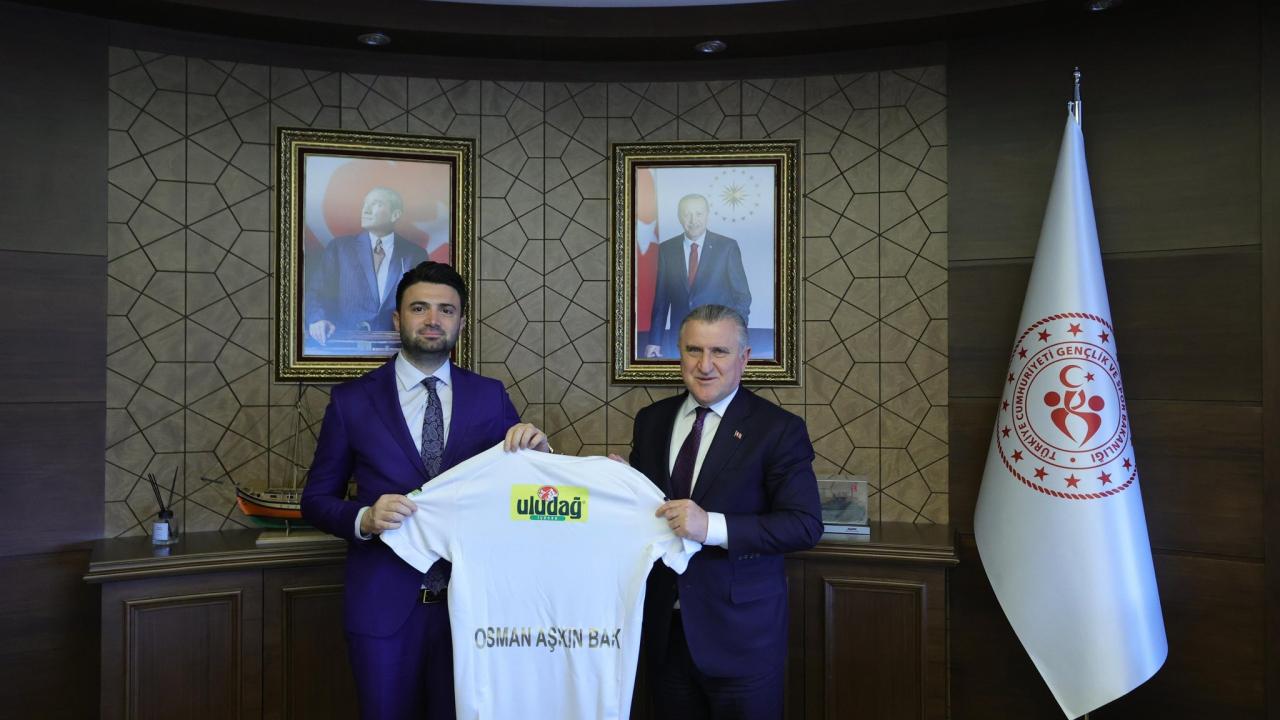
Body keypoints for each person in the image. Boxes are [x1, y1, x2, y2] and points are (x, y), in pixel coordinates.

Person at [301, 261, 551, 720]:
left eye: (446, 310)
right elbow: (315, 501)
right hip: (383, 609)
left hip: (474, 608)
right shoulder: (352, 401)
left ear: (461, 322)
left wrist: (540, 453)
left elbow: (524, 488)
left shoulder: (490, 396)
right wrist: (364, 518)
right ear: (398, 318)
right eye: (420, 308)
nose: (433, 319)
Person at [625, 304, 822, 719]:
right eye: (694, 350)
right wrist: (619, 484)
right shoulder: (651, 421)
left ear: (744, 358)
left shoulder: (778, 429)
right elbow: (648, 510)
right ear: (679, 353)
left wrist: (710, 526)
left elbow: (804, 525)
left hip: (742, 639)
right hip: (664, 634)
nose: (705, 365)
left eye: (719, 352)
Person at [304, 186, 430, 347]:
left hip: (396, 347)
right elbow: (316, 291)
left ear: (395, 215)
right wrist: (317, 319)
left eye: (376, 204)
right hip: (345, 344)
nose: (366, 210)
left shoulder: (415, 254)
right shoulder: (339, 248)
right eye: (365, 204)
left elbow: (423, 301)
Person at [645, 194, 752, 359]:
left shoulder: (727, 247)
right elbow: (661, 300)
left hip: (720, 339)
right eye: (687, 214)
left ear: (707, 214)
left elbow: (742, 296)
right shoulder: (666, 250)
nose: (693, 220)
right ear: (679, 217)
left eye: (699, 214)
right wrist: (655, 340)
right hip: (680, 340)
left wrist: (736, 334)